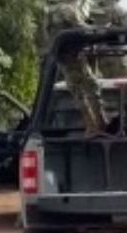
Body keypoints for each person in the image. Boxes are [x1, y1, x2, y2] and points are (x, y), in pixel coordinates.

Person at [43, 0, 108, 137]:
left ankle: (92, 125)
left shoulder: (49, 11)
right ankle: (99, 124)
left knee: (77, 91)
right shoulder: (68, 9)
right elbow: (81, 28)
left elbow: (47, 35)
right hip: (75, 55)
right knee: (92, 86)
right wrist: (100, 29)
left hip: (62, 56)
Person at [89, 0, 127, 78]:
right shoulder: (120, 10)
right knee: (119, 86)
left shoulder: (90, 10)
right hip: (117, 54)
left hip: (98, 55)